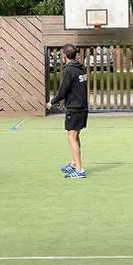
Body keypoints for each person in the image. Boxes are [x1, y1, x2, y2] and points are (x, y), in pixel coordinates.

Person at [46, 44, 89, 179]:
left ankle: (79, 169)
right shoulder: (81, 68)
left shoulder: (69, 70)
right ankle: (74, 162)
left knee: (71, 136)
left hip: (74, 108)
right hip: (82, 107)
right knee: (75, 135)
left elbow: (63, 91)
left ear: (64, 55)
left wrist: (51, 103)